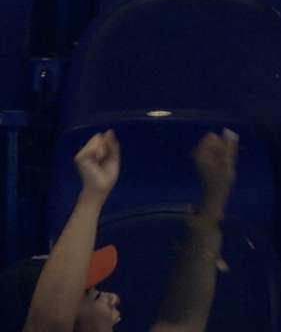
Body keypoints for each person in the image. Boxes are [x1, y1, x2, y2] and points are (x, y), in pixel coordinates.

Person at [0, 128, 240, 332]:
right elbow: (50, 325)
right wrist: (92, 195)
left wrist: (211, 206)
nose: (113, 298)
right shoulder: (48, 319)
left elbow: (181, 322)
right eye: (93, 295)